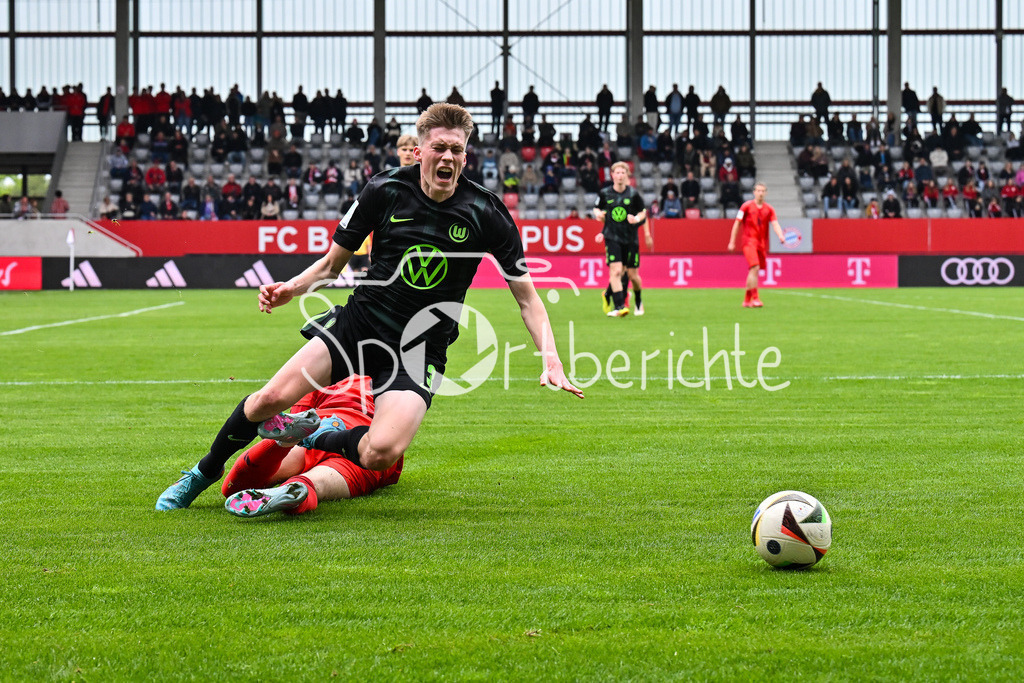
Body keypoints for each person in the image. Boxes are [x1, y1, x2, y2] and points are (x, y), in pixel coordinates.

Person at [156, 102, 584, 511]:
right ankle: (202, 473)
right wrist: (293, 289)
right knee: (268, 399)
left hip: (419, 350)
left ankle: (314, 433)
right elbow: (331, 264)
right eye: (439, 147)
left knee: (381, 452)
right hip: (358, 326)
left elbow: (527, 298)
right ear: (420, 151)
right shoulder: (384, 190)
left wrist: (551, 359)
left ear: (466, 156)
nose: (447, 156)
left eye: (456, 149)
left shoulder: (486, 212)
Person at [222, 376, 402, 518]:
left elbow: (297, 418)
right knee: (318, 484)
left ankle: (282, 446)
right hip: (365, 440)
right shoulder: (395, 380)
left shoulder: (324, 371)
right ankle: (297, 487)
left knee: (234, 487)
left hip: (320, 427)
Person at [594, 161, 652, 318]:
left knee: (632, 275)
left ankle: (637, 298)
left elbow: (643, 213)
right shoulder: (605, 194)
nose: (620, 176)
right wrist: (598, 214)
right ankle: (620, 306)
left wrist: (636, 218)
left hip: (630, 238)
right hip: (612, 237)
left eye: (622, 173)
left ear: (627, 175)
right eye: (617, 173)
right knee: (617, 270)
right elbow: (597, 208)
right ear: (612, 175)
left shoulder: (633, 195)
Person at [727, 182, 785, 308]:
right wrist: (732, 241)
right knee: (755, 267)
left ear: (766, 193)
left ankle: (746, 300)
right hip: (749, 242)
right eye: (758, 191)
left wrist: (780, 235)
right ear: (754, 192)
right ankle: (756, 298)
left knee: (753, 271)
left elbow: (775, 223)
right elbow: (737, 223)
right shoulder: (746, 207)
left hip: (761, 243)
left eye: (763, 191)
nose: (760, 193)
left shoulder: (769, 209)